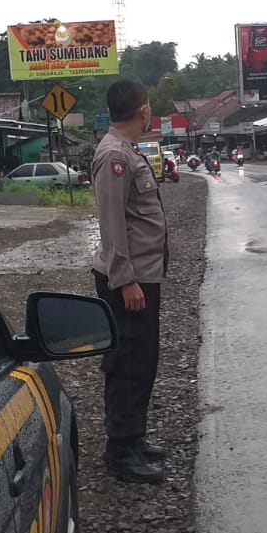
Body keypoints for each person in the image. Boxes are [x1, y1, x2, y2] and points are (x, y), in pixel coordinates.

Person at [91, 79, 170, 484]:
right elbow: (112, 222)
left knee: (142, 361)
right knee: (126, 363)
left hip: (141, 276)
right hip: (129, 280)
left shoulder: (127, 150)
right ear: (143, 110)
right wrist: (125, 281)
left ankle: (133, 438)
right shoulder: (114, 156)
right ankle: (121, 452)